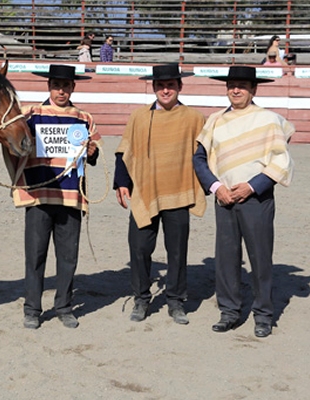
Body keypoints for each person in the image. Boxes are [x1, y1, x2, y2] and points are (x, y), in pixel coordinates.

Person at [0, 64, 101, 330]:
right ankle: (32, 308)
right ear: (49, 86)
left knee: (68, 257)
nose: (61, 91)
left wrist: (91, 152)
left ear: (73, 87)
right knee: (36, 256)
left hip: (70, 197)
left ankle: (64, 306)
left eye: (66, 86)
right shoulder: (31, 114)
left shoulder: (84, 118)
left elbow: (94, 153)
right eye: (56, 85)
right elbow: (7, 132)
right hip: (38, 195)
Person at [193, 66, 294, 338]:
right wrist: (216, 187)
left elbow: (280, 159)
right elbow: (199, 159)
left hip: (256, 199)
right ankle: (229, 311)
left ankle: (263, 315)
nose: (235, 90)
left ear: (254, 89)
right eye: (231, 85)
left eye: (242, 85)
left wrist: (251, 186)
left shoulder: (269, 120)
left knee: (260, 257)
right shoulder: (214, 121)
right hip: (224, 197)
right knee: (226, 257)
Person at [114, 64, 207, 325]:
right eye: (160, 85)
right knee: (140, 248)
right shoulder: (139, 117)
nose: (165, 90)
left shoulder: (194, 118)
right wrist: (122, 182)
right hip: (145, 191)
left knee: (177, 250)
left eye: (170, 85)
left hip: (178, 192)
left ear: (180, 86)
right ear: (154, 88)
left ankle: (176, 300)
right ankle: (141, 298)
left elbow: (205, 153)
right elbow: (125, 150)